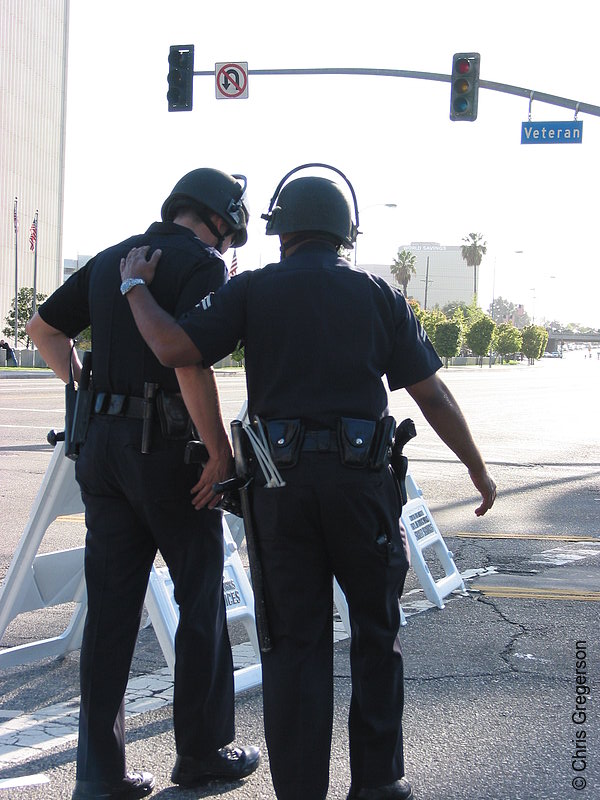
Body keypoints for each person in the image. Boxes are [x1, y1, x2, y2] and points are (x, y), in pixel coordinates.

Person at [118, 164, 497, 800]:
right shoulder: (381, 295)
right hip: (364, 492)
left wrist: (135, 287)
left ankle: (300, 790)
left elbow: (176, 349)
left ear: (280, 232)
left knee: (295, 647)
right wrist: (477, 469)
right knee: (377, 633)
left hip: (279, 493)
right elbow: (432, 394)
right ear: (347, 232)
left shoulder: (254, 290)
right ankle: (376, 784)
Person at [26, 168, 261, 800]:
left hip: (100, 452)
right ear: (219, 219)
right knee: (200, 596)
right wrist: (219, 454)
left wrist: (86, 391)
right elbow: (185, 360)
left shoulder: (112, 260)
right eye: (231, 234)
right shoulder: (205, 267)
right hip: (169, 456)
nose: (229, 247)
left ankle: (99, 775)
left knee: (110, 610)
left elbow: (44, 332)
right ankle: (205, 751)